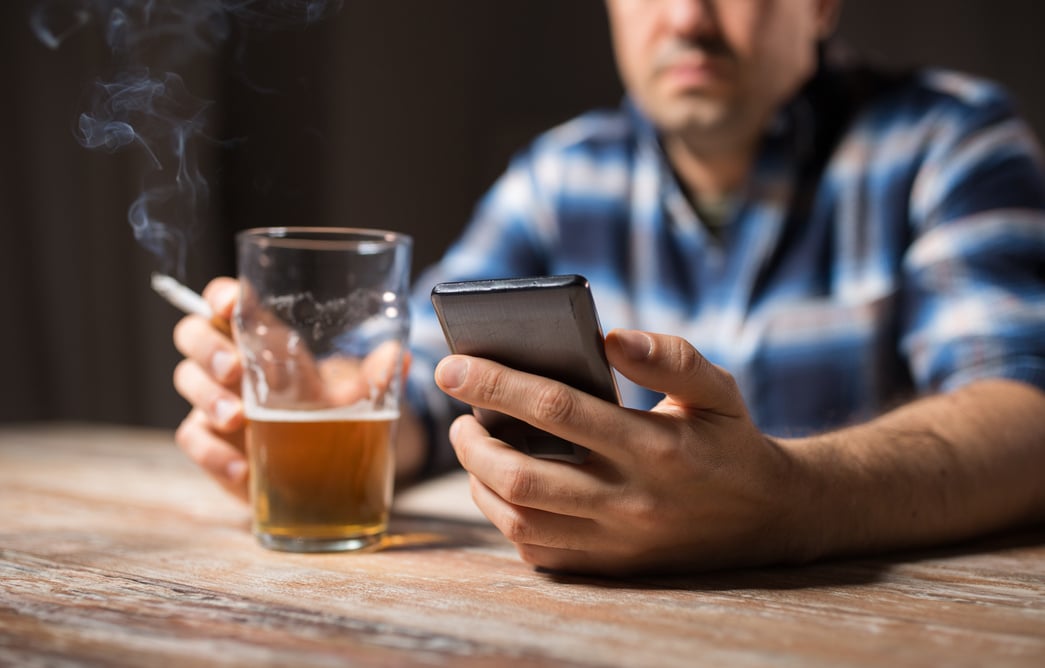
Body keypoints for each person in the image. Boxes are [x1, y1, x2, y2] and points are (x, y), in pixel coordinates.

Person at [173, 0, 1045, 575]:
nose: (685, 17)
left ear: (817, 6)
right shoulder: (562, 173)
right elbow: (425, 377)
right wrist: (338, 412)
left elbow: (1026, 408)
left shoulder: (949, 140)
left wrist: (788, 497)